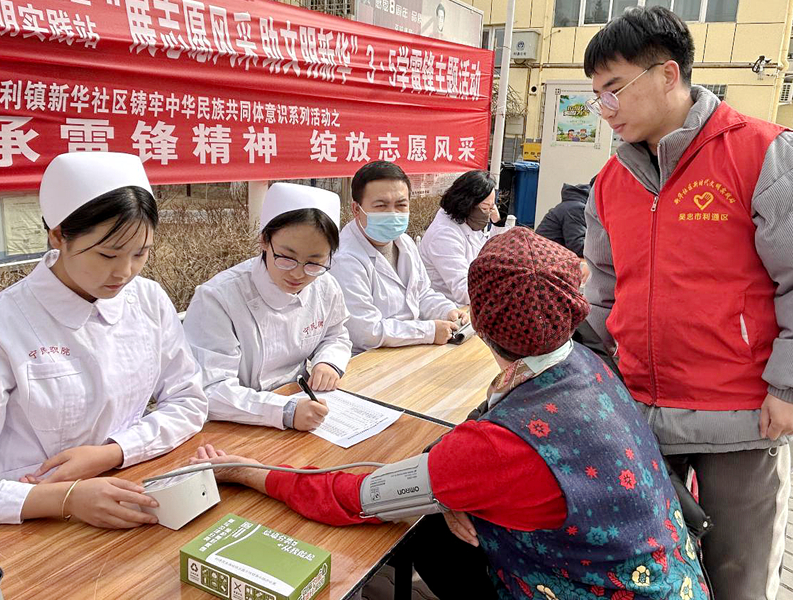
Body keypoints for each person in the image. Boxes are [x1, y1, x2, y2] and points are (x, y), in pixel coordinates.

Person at [190, 229, 709, 600]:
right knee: (434, 516)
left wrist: (245, 471)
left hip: (584, 586)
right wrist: (454, 483)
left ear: (479, 319)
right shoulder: (589, 366)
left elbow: (351, 497)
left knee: (419, 527)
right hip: (671, 578)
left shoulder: (498, 445)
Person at [581, 7, 793, 599]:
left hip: (743, 418)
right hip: (641, 415)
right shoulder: (610, 181)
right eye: (597, 95)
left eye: (614, 88)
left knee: (740, 574)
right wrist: (597, 376)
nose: (605, 107)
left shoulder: (767, 153)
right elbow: (603, 292)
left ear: (667, 74)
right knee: (649, 570)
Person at [0, 152, 208, 530]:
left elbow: (189, 400)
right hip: (24, 524)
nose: (125, 272)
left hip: (130, 492)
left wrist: (112, 453)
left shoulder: (147, 300)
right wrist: (64, 498)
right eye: (107, 254)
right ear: (58, 235)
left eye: (140, 253)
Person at [183, 183, 351, 431]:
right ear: (264, 240)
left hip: (302, 403)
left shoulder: (325, 286)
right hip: (236, 421)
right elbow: (211, 389)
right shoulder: (219, 298)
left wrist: (328, 362)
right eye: (286, 258)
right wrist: (285, 411)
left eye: (314, 262)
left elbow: (336, 334)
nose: (298, 274)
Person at [330, 161, 467, 353]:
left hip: (410, 349)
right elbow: (367, 332)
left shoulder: (404, 242)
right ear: (356, 209)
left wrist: (446, 310)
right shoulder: (344, 259)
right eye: (381, 205)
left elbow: (422, 293)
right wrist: (429, 331)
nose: (393, 214)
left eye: (401, 205)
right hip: (368, 358)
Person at [419, 170, 498, 305]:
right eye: (485, 208)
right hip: (447, 307)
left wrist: (498, 223)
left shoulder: (467, 222)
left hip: (466, 303)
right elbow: (463, 290)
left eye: (492, 207)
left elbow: (493, 252)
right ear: (467, 204)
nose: (489, 213)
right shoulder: (444, 235)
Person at [535, 177, 595, 284]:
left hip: (544, 260)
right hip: (544, 264)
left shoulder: (574, 205)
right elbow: (577, 245)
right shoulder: (576, 208)